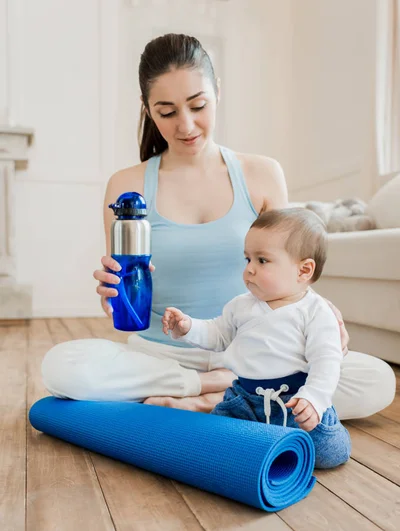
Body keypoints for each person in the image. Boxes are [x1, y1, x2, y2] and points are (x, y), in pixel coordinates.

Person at [41, 33, 395, 419]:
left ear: (218, 92)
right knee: (63, 367)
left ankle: (216, 397)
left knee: (376, 379)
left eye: (198, 105)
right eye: (167, 111)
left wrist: (321, 315)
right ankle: (216, 391)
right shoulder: (126, 186)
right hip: (161, 356)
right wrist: (111, 295)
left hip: (256, 358)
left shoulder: (261, 173)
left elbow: (290, 271)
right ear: (147, 110)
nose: (187, 125)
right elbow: (122, 299)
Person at [162, 207, 352, 468]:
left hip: (294, 401)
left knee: (329, 453)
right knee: (213, 440)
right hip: (244, 401)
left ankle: (312, 428)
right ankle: (258, 443)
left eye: (262, 261)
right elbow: (218, 334)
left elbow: (326, 361)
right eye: (247, 259)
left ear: (304, 271)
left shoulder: (316, 312)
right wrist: (187, 327)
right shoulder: (241, 305)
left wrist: (314, 400)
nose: (249, 269)